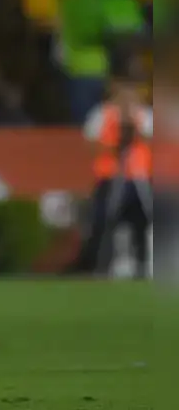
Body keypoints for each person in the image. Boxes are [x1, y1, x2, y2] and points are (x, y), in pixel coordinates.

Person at [74, 77, 153, 277]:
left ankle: (142, 266)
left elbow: (154, 143)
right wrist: (114, 146)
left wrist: (135, 132)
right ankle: (100, 266)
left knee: (142, 222)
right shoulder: (101, 114)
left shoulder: (144, 115)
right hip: (109, 176)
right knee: (104, 221)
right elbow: (91, 145)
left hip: (139, 178)